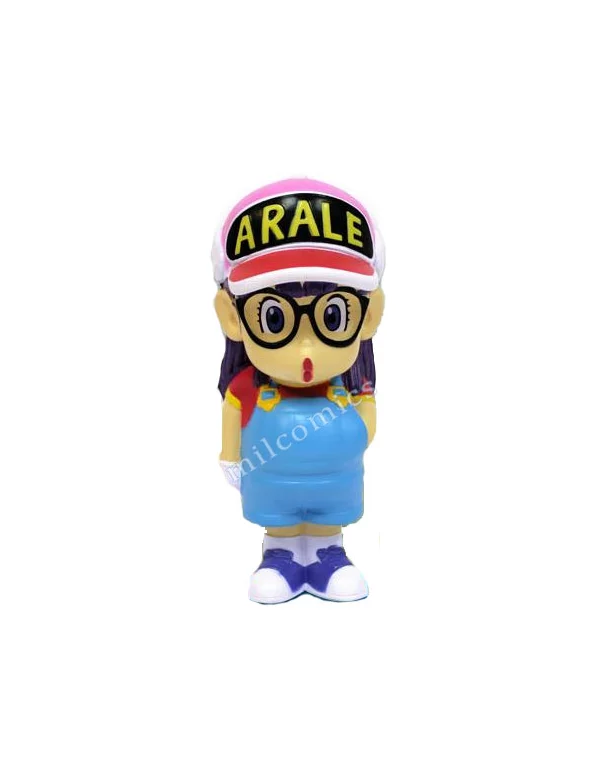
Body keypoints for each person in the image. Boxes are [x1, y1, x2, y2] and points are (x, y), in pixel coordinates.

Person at [213, 178, 385, 603]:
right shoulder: (247, 389)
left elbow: (368, 419)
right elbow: (233, 414)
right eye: (275, 320)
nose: (305, 352)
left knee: (329, 519)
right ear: (233, 318)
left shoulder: (351, 388)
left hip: (335, 486)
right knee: (280, 519)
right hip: (273, 488)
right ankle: (280, 555)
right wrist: (231, 458)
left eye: (332, 317)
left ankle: (329, 553)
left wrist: (359, 433)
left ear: (369, 316)